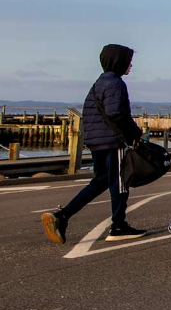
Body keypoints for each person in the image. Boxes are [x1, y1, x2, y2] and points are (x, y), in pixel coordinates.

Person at [42, 45, 147, 244]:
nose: (130, 65)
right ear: (118, 61)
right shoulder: (116, 83)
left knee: (100, 181)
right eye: (128, 60)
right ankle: (118, 226)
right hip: (112, 141)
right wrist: (134, 132)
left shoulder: (100, 82)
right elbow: (116, 113)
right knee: (120, 183)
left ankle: (62, 216)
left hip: (96, 141)